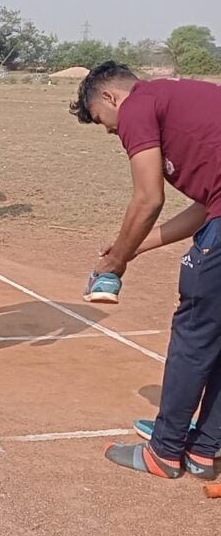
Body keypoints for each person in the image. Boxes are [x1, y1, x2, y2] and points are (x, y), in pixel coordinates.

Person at [69, 62, 221, 480]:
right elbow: (207, 207)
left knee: (194, 337)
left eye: (105, 123)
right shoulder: (176, 98)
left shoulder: (137, 105)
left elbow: (148, 197)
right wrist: (130, 248)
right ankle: (204, 450)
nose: (113, 133)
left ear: (110, 98)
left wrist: (114, 263)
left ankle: (165, 451)